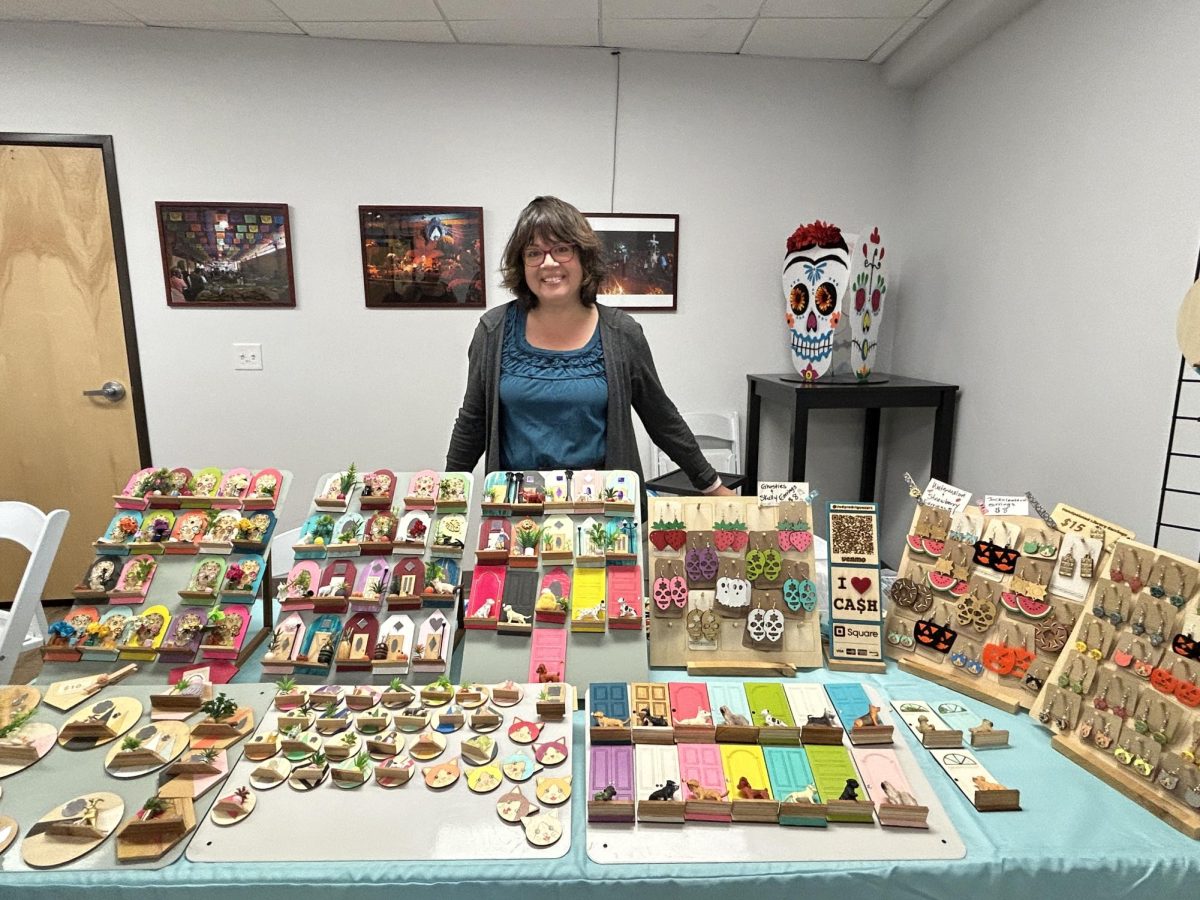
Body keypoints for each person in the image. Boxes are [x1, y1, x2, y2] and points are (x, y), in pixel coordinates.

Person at [446, 195, 734, 497]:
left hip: (602, 507)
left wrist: (711, 485)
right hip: (517, 505)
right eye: (534, 252)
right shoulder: (493, 330)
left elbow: (661, 417)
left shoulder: (621, 333)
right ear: (522, 264)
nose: (548, 262)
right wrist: (448, 492)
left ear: (584, 256)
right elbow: (472, 421)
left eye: (561, 249)